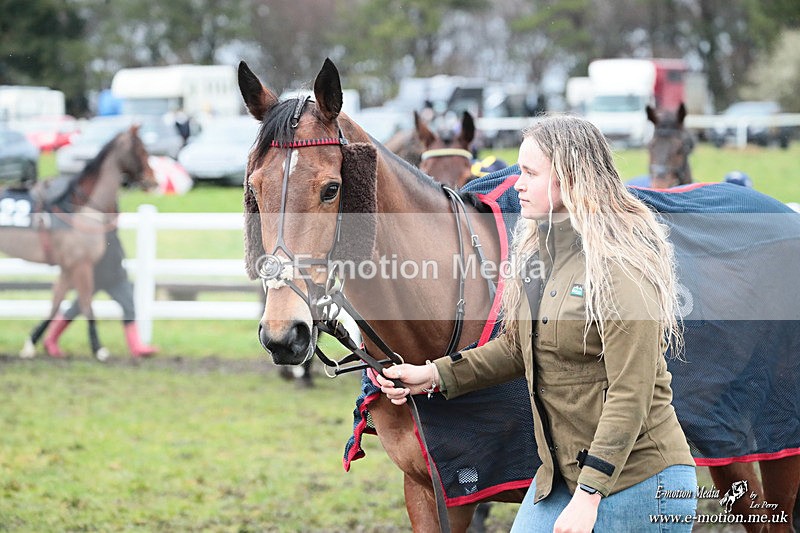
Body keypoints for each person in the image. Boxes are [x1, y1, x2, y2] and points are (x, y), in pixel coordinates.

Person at [377, 115, 697, 532]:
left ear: (568, 177)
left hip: (639, 483)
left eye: (529, 173)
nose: (516, 183)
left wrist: (589, 496)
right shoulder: (538, 256)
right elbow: (516, 347)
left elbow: (629, 394)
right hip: (562, 478)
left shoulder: (620, 268)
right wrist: (433, 374)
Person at [43, 226, 157, 358]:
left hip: (115, 276)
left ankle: (136, 346)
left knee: (129, 306)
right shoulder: (87, 230)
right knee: (77, 307)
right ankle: (51, 339)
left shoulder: (107, 224)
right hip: (93, 277)